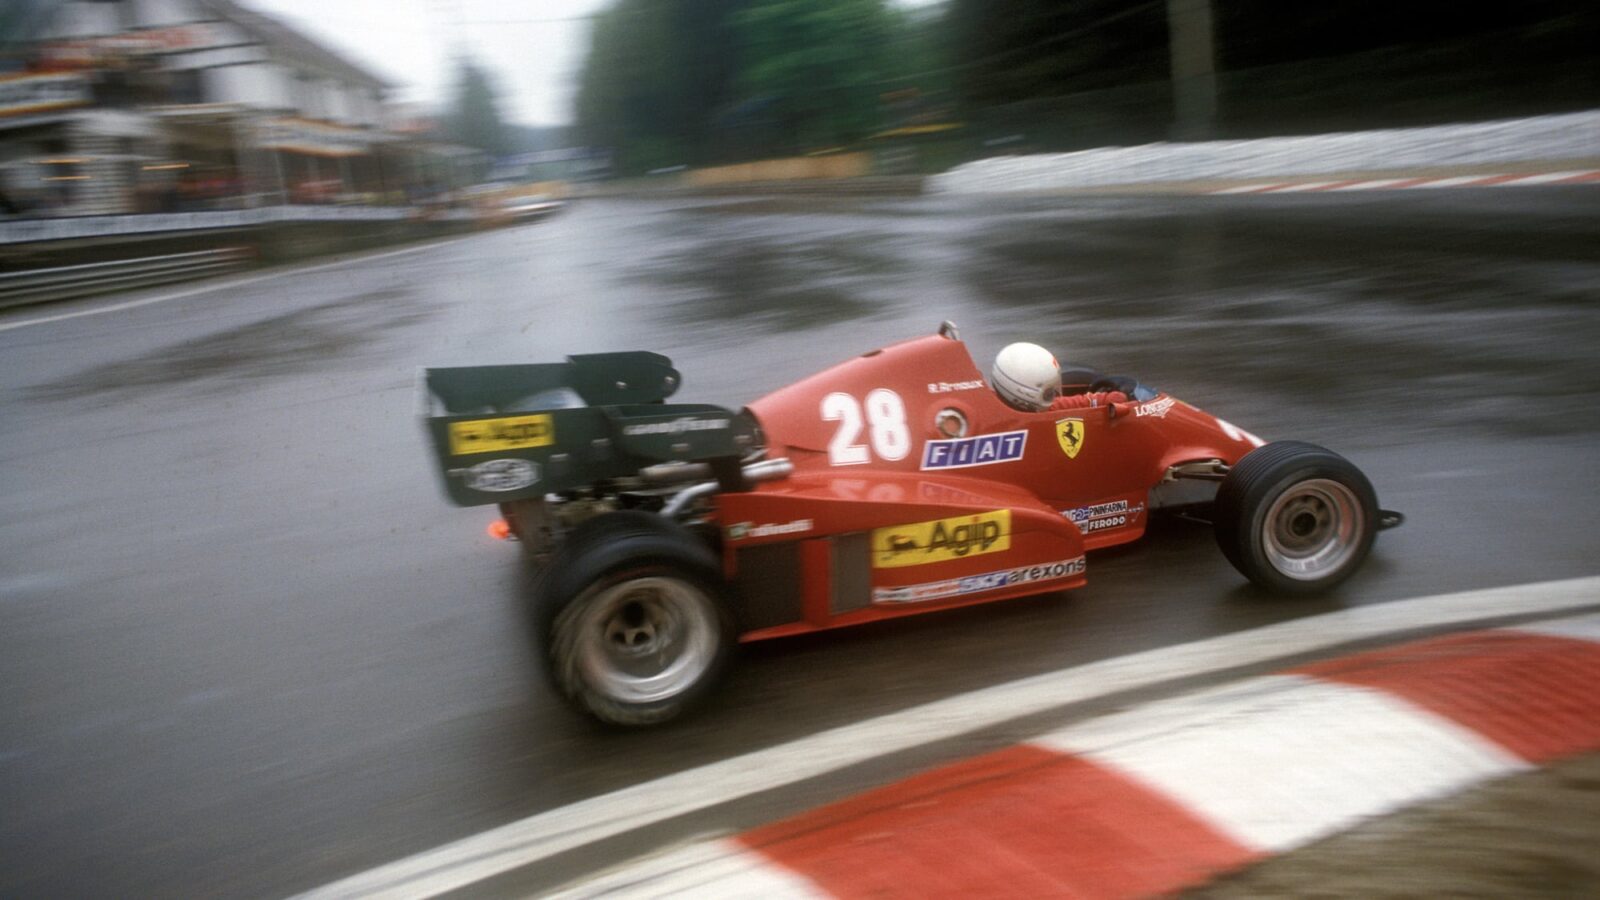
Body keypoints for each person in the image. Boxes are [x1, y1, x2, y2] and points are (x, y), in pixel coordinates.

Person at [992, 342, 1129, 412]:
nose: (1054, 396)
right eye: (1049, 393)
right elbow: (1068, 404)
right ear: (1024, 392)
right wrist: (1113, 397)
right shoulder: (1040, 410)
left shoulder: (987, 400)